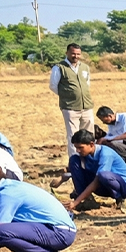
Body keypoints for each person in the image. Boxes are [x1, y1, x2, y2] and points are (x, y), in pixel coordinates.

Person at [0, 167, 75, 252]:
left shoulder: (6, 195)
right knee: (3, 227)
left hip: (60, 233)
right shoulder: (9, 186)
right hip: (57, 230)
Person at [48, 43, 93, 179]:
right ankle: (76, 164)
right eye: (73, 53)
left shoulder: (85, 67)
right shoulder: (59, 68)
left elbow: (87, 83)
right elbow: (53, 86)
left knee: (89, 135)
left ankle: (90, 161)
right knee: (73, 136)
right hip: (70, 107)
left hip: (86, 106)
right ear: (67, 53)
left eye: (78, 54)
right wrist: (67, 96)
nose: (76, 56)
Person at [67, 129, 126, 212]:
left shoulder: (105, 153)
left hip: (122, 186)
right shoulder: (86, 154)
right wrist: (62, 179)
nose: (78, 150)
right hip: (105, 184)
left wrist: (76, 202)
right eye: (76, 148)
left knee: (103, 175)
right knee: (73, 159)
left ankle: (119, 198)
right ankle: (88, 200)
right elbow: (75, 171)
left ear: (92, 144)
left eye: (81, 147)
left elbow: (98, 180)